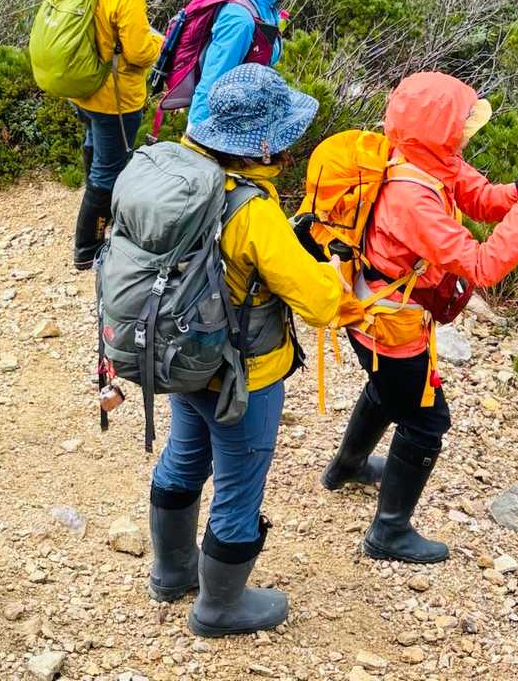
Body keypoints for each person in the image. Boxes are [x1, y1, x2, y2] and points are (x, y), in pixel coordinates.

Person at [321, 71, 518, 563]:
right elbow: (482, 264)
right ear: (439, 129)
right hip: (389, 325)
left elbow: (481, 198)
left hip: (374, 311)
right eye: (461, 124)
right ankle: (389, 532)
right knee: (427, 420)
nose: (466, 133)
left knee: (386, 391)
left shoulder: (423, 158)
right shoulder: (411, 197)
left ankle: (347, 467)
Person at [149, 64, 342, 638]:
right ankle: (220, 607)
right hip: (242, 373)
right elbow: (319, 305)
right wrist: (330, 272)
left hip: (179, 354)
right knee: (239, 484)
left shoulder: (177, 168)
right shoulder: (252, 211)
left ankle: (171, 572)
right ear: (260, 145)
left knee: (185, 454)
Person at [47, 0, 163, 269]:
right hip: (115, 96)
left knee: (94, 144)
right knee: (109, 170)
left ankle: (96, 202)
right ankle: (89, 246)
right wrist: (160, 43)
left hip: (80, 83)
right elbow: (139, 52)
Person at [185, 0, 291, 130]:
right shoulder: (239, 19)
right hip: (222, 132)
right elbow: (211, 85)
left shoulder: (267, 8)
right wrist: (196, 136)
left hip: (245, 127)